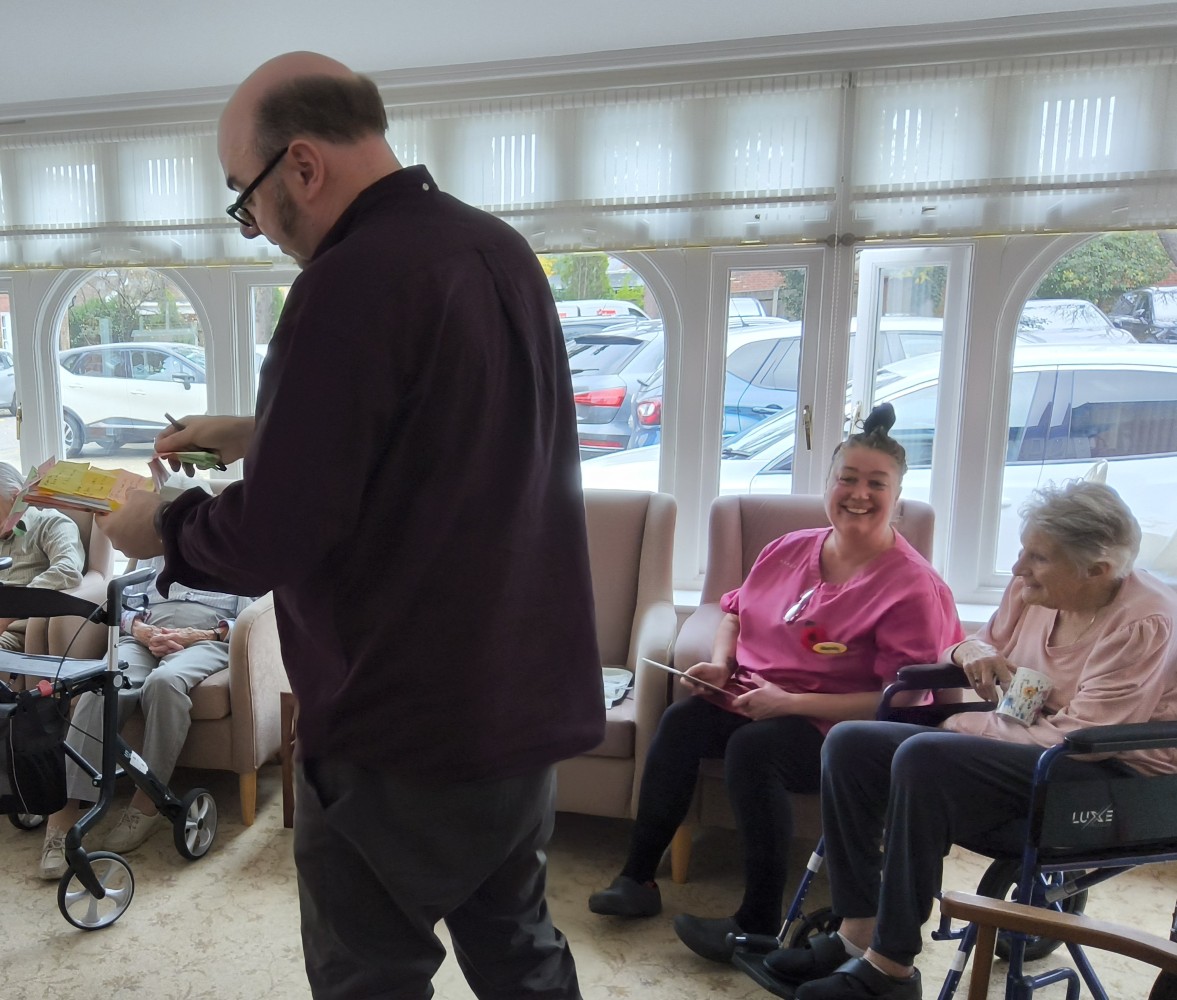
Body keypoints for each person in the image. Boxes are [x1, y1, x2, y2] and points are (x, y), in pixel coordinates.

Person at [97, 52, 603, 1000]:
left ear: (301, 165)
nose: (254, 229)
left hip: (400, 722)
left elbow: (279, 537)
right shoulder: (494, 248)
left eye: (243, 201)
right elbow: (443, 433)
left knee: (369, 972)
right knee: (519, 952)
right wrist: (260, 432)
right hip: (517, 705)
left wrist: (161, 525)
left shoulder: (347, 280)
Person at [770, 479, 1177, 1000]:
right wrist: (969, 653)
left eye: (1038, 557)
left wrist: (960, 727)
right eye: (1023, 549)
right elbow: (983, 641)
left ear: (1097, 570)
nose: (1017, 568)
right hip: (1033, 747)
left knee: (926, 754)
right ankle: (858, 932)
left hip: (1111, 779)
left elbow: (1078, 737)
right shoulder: (1038, 590)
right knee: (851, 744)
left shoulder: (1144, 623)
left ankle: (890, 970)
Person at [588, 404, 963, 964]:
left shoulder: (911, 586)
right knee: (683, 720)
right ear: (829, 484)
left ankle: (757, 923)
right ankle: (637, 879)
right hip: (758, 698)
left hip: (846, 725)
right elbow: (734, 612)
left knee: (752, 750)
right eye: (848, 479)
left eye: (876, 483)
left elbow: (901, 698)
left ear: (897, 494)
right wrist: (720, 664)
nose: (859, 493)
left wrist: (789, 702)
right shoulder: (788, 549)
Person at [37, 556, 248, 879]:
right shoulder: (155, 547)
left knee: (165, 684)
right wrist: (140, 629)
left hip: (206, 637)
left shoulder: (239, 549)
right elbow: (122, 599)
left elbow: (253, 612)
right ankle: (63, 814)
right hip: (143, 634)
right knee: (102, 688)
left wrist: (202, 635)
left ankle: (146, 804)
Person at [0, 461, 85, 655]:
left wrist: (10, 610)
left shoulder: (51, 524)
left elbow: (67, 569)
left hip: (17, 629)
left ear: (15, 497)